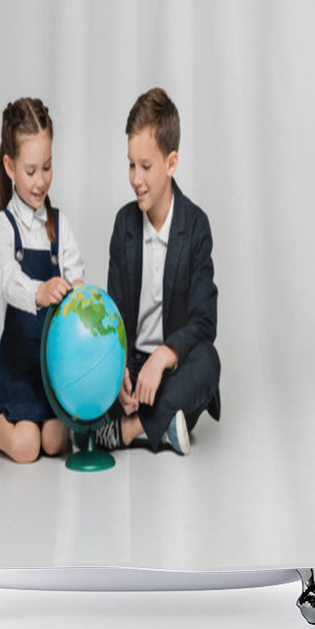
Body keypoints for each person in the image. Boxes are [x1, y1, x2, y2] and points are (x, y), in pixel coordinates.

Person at [0, 97, 85, 463]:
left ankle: (32, 421)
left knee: (55, 442)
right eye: (31, 170)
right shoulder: (4, 225)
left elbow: (76, 274)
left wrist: (80, 295)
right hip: (18, 368)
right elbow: (7, 280)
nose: (41, 181)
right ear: (9, 166)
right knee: (26, 448)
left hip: (50, 370)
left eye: (48, 167)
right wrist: (39, 291)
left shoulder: (60, 224)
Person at [92, 87, 221, 455]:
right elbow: (111, 316)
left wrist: (163, 355)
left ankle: (132, 429)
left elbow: (204, 321)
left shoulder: (195, 226)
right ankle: (162, 427)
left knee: (208, 361)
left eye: (146, 166)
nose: (136, 178)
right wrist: (120, 373)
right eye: (131, 164)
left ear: (171, 162)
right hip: (131, 373)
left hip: (170, 374)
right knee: (90, 369)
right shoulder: (124, 224)